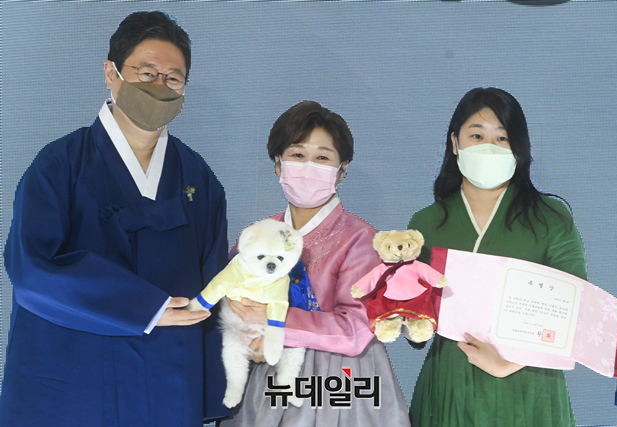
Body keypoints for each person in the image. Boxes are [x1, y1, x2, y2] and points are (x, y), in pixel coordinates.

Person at [0, 11, 230, 426]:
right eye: (147, 73)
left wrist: (220, 394)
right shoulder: (59, 166)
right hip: (74, 382)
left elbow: (216, 289)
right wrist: (147, 308)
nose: (160, 87)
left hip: (168, 380)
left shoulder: (199, 178)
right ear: (112, 73)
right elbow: (33, 271)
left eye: (173, 78)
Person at [218, 101, 411, 426]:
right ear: (278, 164)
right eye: (297, 154)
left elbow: (355, 329)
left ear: (342, 169)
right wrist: (247, 339)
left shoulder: (361, 239)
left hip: (341, 381)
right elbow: (232, 304)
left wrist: (276, 325)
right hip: (265, 376)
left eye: (322, 158)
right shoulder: (256, 236)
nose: (308, 167)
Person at [408, 87, 586, 427]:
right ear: (455, 142)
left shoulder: (550, 218)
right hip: (449, 384)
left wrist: (508, 363)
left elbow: (575, 309)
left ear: (518, 147)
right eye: (477, 135)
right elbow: (418, 326)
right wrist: (400, 313)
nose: (489, 147)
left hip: (529, 386)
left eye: (502, 138)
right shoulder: (426, 223)